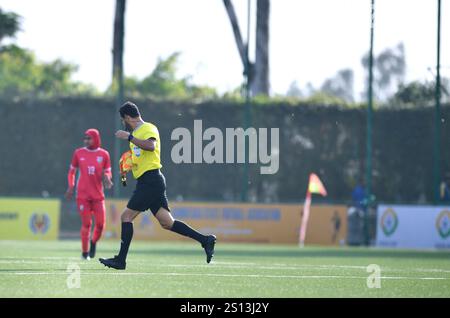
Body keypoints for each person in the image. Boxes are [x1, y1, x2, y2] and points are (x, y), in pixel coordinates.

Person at [99, 101, 216, 270]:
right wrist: (129, 165)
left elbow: (151, 146)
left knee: (126, 217)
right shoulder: (137, 133)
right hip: (150, 181)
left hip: (150, 181)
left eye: (123, 120)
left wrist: (129, 137)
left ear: (127, 117)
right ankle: (206, 240)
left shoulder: (147, 128)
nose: (123, 124)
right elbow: (142, 156)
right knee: (167, 222)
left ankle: (120, 260)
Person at [65, 129, 113, 260]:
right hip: (82, 196)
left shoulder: (104, 155)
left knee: (100, 225)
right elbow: (71, 172)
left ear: (96, 139)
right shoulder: (78, 153)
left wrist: (107, 178)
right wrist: (71, 185)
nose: (86, 141)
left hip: (98, 196)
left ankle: (93, 242)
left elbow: (108, 172)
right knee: (86, 224)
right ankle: (85, 253)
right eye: (85, 138)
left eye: (89, 138)